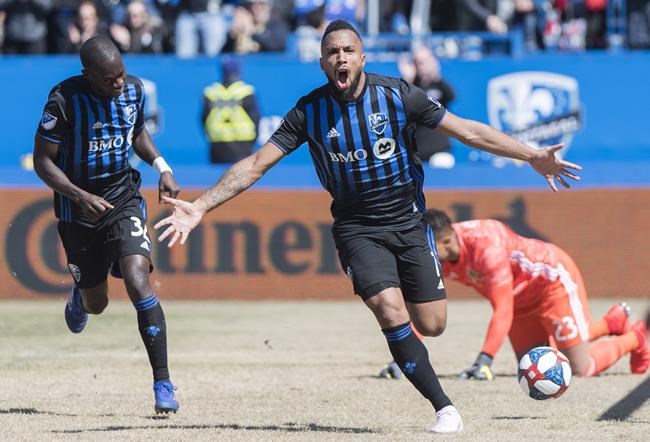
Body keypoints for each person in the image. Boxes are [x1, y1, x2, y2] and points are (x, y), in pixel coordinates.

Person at [154, 19, 581, 433]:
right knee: (388, 309)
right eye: (332, 52)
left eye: (348, 50)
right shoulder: (308, 112)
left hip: (409, 222)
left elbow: (468, 131)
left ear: (362, 57)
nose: (341, 58)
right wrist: (201, 206)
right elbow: (255, 165)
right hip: (356, 228)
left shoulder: (398, 95)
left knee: (433, 323)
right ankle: (445, 409)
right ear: (322, 63)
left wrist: (530, 155)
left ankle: (412, 338)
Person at [32, 36, 181, 414]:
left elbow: (137, 131)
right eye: (108, 78)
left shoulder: (134, 90)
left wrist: (162, 167)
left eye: (121, 74)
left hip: (122, 198)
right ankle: (80, 297)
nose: (118, 83)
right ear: (88, 75)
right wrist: (80, 196)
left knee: (137, 278)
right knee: (96, 303)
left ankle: (163, 382)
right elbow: (42, 162)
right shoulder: (63, 100)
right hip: (78, 210)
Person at [422, 208, 649, 379]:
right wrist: (409, 355)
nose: (422, 254)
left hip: (552, 286)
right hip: (519, 301)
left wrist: (484, 360)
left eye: (426, 247)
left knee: (579, 368)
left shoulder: (486, 246)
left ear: (447, 241)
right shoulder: (440, 251)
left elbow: (503, 308)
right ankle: (611, 323)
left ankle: (635, 337)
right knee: (533, 368)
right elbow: (421, 304)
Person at [398, 45, 456, 167]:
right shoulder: (411, 86)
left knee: (444, 162)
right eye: (419, 62)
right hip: (415, 151)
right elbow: (402, 103)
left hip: (438, 148)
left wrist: (436, 76)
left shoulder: (438, 85)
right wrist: (408, 78)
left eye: (427, 61)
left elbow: (451, 96)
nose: (423, 66)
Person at [202, 56, 261, 163]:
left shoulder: (211, 92)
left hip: (217, 144)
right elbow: (255, 117)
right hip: (243, 143)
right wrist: (255, 137)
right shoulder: (245, 91)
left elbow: (203, 118)